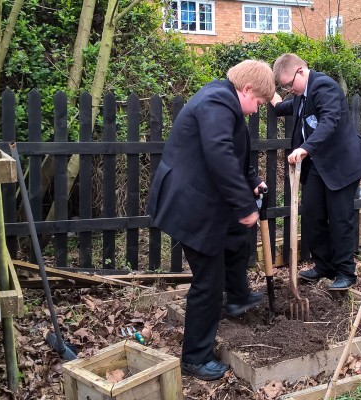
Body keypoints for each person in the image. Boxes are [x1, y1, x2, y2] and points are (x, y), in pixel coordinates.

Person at [147, 60, 275, 381]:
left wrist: (251, 182)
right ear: (246, 90)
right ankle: (195, 357)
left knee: (235, 237)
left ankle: (239, 297)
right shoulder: (216, 103)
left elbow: (234, 152)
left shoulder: (224, 100)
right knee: (208, 282)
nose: (257, 111)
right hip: (190, 204)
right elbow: (218, 152)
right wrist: (245, 205)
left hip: (201, 198)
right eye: (258, 102)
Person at [270, 53, 361, 290]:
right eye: (283, 86)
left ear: (301, 72)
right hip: (319, 164)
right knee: (313, 214)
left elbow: (329, 121)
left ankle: (346, 272)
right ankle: (324, 266)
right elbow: (283, 107)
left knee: (339, 218)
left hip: (342, 164)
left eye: (288, 84)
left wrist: (304, 148)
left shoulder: (324, 86)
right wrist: (269, 93)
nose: (288, 90)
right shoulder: (300, 94)